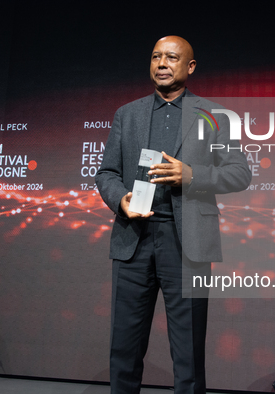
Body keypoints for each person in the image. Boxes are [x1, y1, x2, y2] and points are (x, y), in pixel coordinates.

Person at [95, 35, 251, 394]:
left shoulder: (215, 116)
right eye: (155, 57)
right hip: (133, 241)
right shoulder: (127, 114)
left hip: (188, 245)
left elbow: (239, 173)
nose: (162, 63)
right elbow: (106, 173)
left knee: (188, 349)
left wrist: (191, 176)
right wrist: (121, 200)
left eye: (171, 57)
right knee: (124, 346)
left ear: (190, 67)